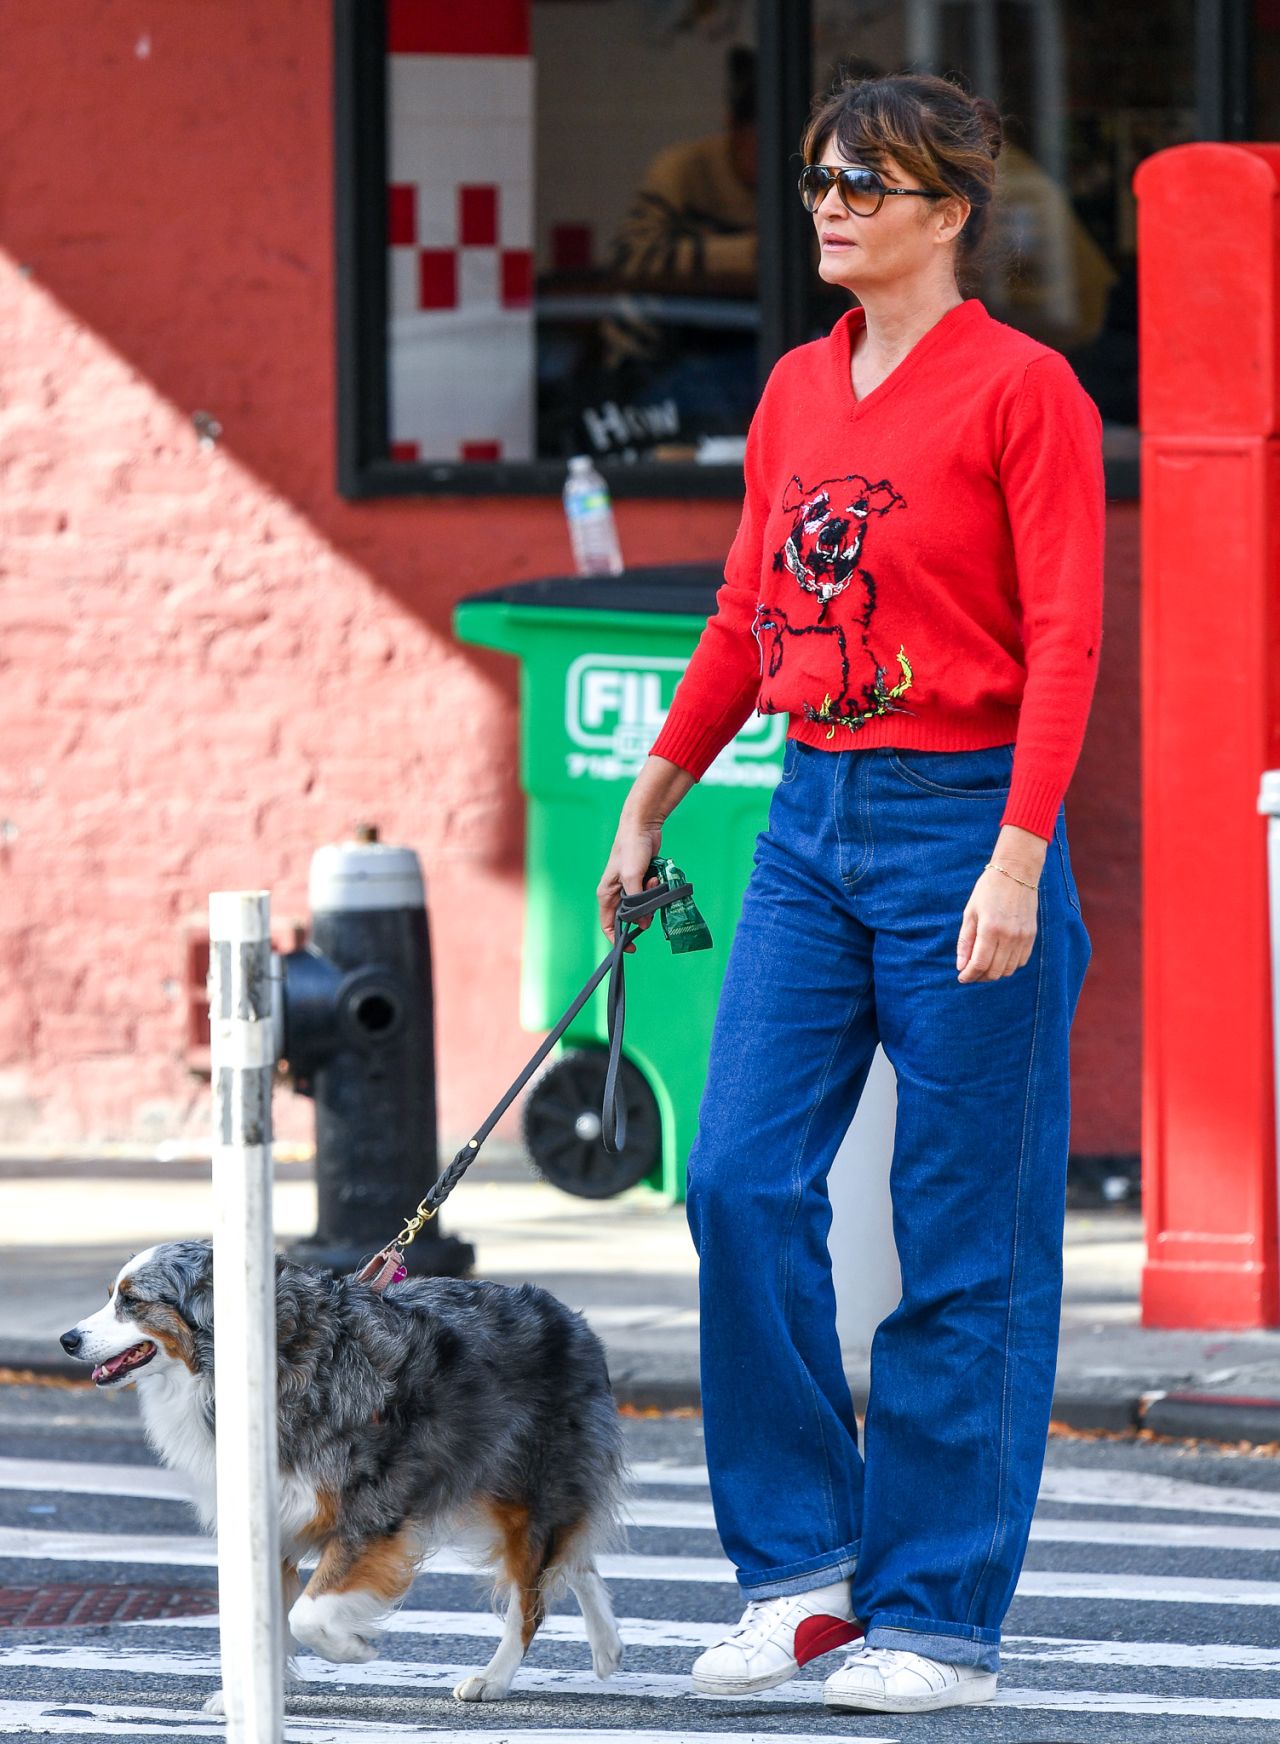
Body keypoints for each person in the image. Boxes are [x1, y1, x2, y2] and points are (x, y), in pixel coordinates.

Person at [596, 71, 1100, 1716]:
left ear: (950, 214)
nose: (828, 202)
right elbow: (749, 617)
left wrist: (1020, 852)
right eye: (822, 177)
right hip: (810, 820)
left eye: (866, 184)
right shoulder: (800, 390)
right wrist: (650, 797)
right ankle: (803, 1583)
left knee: (968, 1245)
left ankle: (940, 1618)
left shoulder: (1025, 392)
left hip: (970, 821)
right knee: (739, 1181)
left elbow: (1070, 640)